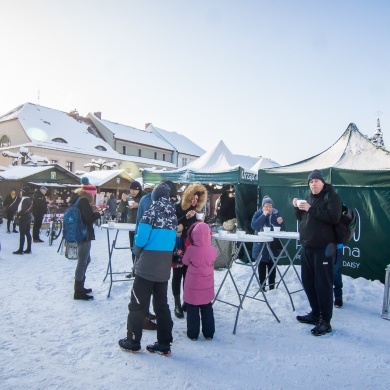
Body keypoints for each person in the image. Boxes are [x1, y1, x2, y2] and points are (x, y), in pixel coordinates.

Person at [118, 183, 177, 355]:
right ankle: (164, 343)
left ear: (154, 197)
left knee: (137, 304)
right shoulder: (172, 216)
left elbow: (141, 240)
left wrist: (136, 251)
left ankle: (133, 341)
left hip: (147, 266)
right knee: (162, 306)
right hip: (164, 267)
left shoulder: (150, 213)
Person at [293, 169, 342, 336]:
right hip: (307, 246)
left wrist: (310, 208)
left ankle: (326, 321)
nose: (313, 183)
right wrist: (298, 208)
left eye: (316, 181)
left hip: (324, 249)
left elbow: (334, 217)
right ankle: (315, 314)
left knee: (323, 284)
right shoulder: (308, 198)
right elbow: (302, 219)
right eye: (311, 181)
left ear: (323, 182)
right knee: (308, 282)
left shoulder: (332, 197)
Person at [173, 183, 207, 318]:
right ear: (187, 197)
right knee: (177, 274)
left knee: (189, 275)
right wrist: (184, 218)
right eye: (192, 198)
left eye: (197, 199)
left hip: (192, 247)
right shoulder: (178, 208)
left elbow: (200, 229)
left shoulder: (197, 212)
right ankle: (177, 304)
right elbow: (172, 224)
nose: (194, 201)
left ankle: (186, 302)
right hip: (179, 246)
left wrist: (204, 222)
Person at [182, 222, 218, 341]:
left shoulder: (191, 250)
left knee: (192, 309)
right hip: (207, 284)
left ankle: (193, 334)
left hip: (193, 285)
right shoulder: (213, 250)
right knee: (207, 308)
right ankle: (209, 333)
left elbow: (185, 261)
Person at [70, 180, 102, 300]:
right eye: (93, 194)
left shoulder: (77, 199)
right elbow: (88, 219)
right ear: (88, 193)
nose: (94, 196)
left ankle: (80, 286)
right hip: (83, 234)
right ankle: (78, 291)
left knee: (86, 260)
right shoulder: (83, 202)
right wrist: (98, 214)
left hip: (79, 233)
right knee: (83, 261)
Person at [251, 196, 285, 291]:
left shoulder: (276, 214)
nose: (269, 208)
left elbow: (282, 230)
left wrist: (281, 222)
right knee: (261, 267)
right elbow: (255, 226)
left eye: (270, 206)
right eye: (266, 206)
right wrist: (264, 215)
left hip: (273, 246)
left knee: (272, 267)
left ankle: (272, 288)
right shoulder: (258, 213)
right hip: (261, 246)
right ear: (263, 206)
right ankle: (262, 287)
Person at [127, 181, 147, 262]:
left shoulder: (145, 197)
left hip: (142, 226)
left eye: (134, 190)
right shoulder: (129, 197)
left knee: (141, 249)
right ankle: (134, 270)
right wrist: (123, 201)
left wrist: (138, 205)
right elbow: (122, 209)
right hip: (131, 226)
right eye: (131, 190)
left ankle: (140, 271)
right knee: (132, 249)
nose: (132, 192)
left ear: (139, 189)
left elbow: (149, 208)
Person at [13, 187, 33, 255]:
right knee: (27, 233)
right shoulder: (29, 199)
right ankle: (28, 249)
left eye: (21, 191)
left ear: (24, 192)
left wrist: (18, 214)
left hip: (23, 217)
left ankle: (20, 249)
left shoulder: (24, 200)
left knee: (22, 234)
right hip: (28, 217)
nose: (20, 192)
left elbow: (23, 209)